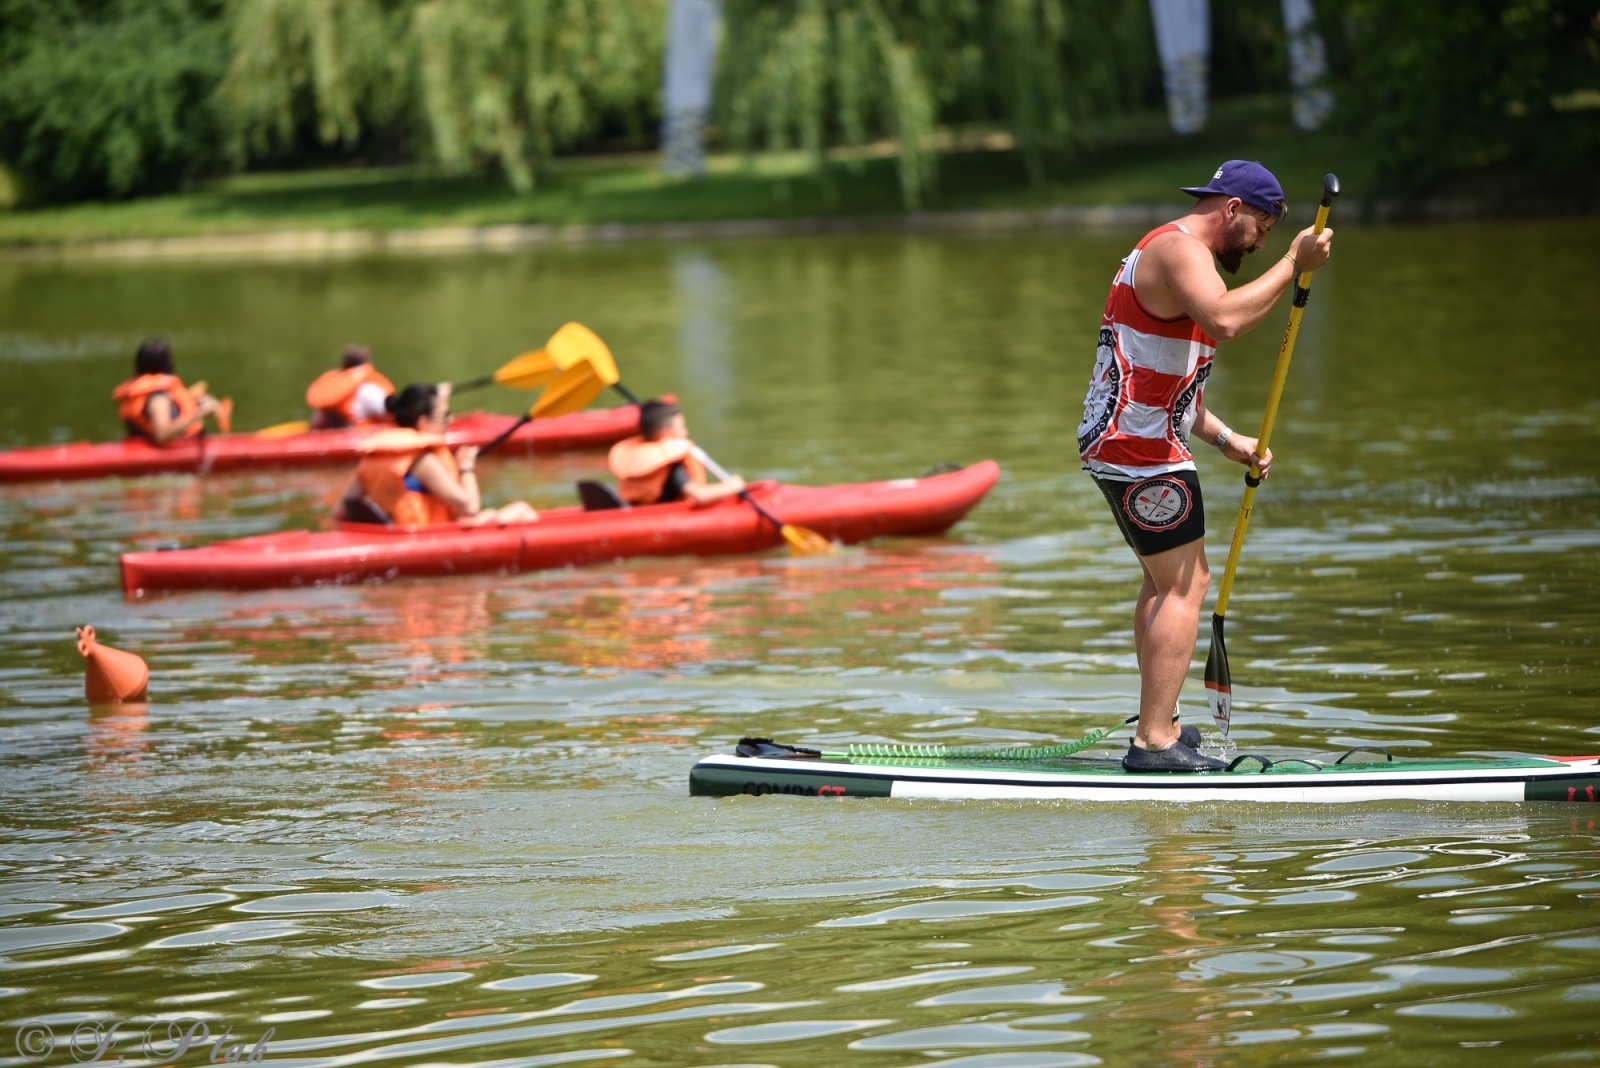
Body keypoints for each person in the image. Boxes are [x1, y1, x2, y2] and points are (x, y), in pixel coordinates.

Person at [1077, 159, 1334, 773]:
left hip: (1134, 440)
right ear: (1233, 209)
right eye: (1262, 228)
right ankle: (1152, 745)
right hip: (1140, 451)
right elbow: (1225, 319)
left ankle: (1158, 723)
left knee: (1163, 584)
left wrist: (1225, 438)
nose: (1261, 241)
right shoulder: (1179, 249)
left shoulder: (1176, 254)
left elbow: (1165, 380)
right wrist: (1293, 263)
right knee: (1187, 587)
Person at [334, 382, 538, 528]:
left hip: (399, 536)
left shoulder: (373, 457)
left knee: (502, 513)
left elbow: (340, 512)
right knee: (522, 510)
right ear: (423, 423)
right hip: (426, 539)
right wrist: (467, 467)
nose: (450, 420)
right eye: (444, 416)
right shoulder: (423, 460)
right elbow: (471, 506)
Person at [607, 398, 746, 507]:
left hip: (641, 512)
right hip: (663, 518)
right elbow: (699, 495)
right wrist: (732, 486)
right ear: (665, 434)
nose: (686, 432)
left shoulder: (638, 459)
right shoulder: (671, 464)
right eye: (682, 427)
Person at [112, 338, 221, 444]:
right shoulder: (158, 397)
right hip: (170, 456)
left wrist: (194, 403)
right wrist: (197, 414)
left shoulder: (148, 392)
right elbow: (162, 434)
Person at [306, 345, 395, 430]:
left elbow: (316, 422)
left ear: (344, 366)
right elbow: (392, 411)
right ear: (368, 364)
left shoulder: (331, 386)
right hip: (357, 434)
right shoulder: (367, 390)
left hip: (327, 431)